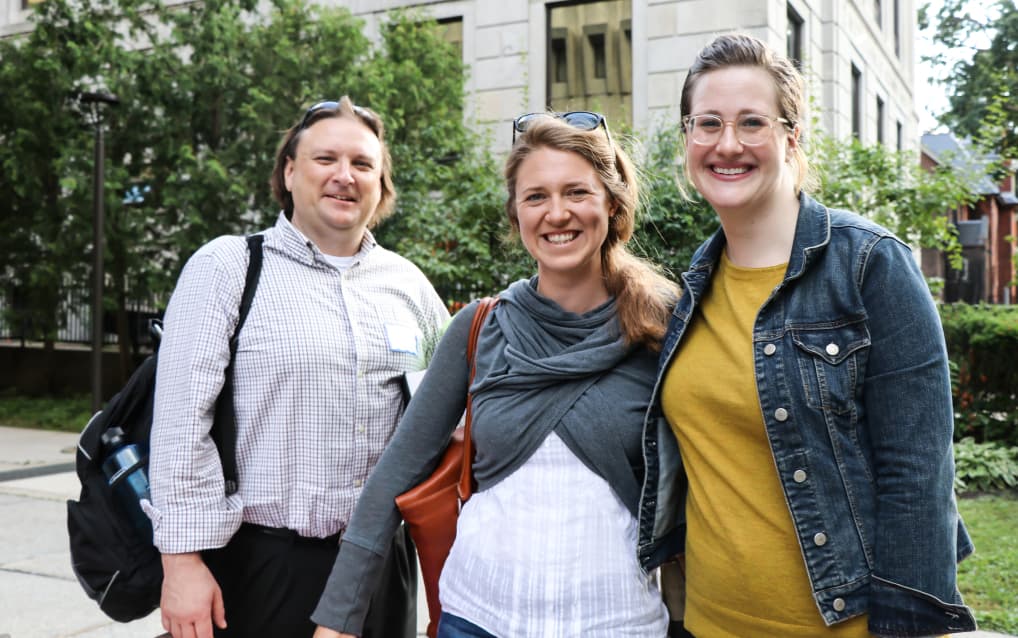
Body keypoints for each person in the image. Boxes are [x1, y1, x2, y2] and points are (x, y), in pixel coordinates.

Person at [637, 33, 977, 637]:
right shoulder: (694, 284)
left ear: (791, 136)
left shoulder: (870, 265)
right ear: (688, 137)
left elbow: (918, 476)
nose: (727, 144)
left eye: (751, 122)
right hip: (706, 625)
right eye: (708, 122)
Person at [310, 111, 681, 637]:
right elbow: (395, 474)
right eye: (535, 197)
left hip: (619, 622)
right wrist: (338, 621)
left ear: (613, 204)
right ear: (515, 215)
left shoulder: (662, 327)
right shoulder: (479, 328)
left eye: (577, 192)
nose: (556, 213)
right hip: (476, 619)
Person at [147, 96, 450, 638]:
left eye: (362, 164)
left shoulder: (409, 286)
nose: (344, 176)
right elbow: (178, 425)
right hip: (263, 566)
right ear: (289, 172)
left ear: (381, 184)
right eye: (325, 159)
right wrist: (181, 562)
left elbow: (449, 416)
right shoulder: (229, 268)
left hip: (383, 566)